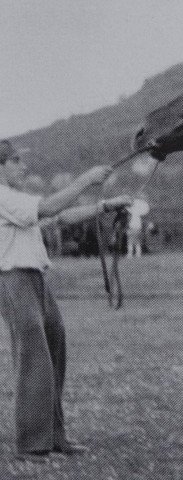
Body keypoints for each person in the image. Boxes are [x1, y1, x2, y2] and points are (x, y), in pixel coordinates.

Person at [0, 139, 132, 462]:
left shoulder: (15, 198)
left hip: (35, 278)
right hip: (13, 278)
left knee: (55, 351)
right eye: (16, 161)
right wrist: (86, 179)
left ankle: (54, 437)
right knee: (35, 358)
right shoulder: (1, 196)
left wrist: (105, 206)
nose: (23, 166)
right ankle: (31, 444)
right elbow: (47, 209)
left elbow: (59, 217)